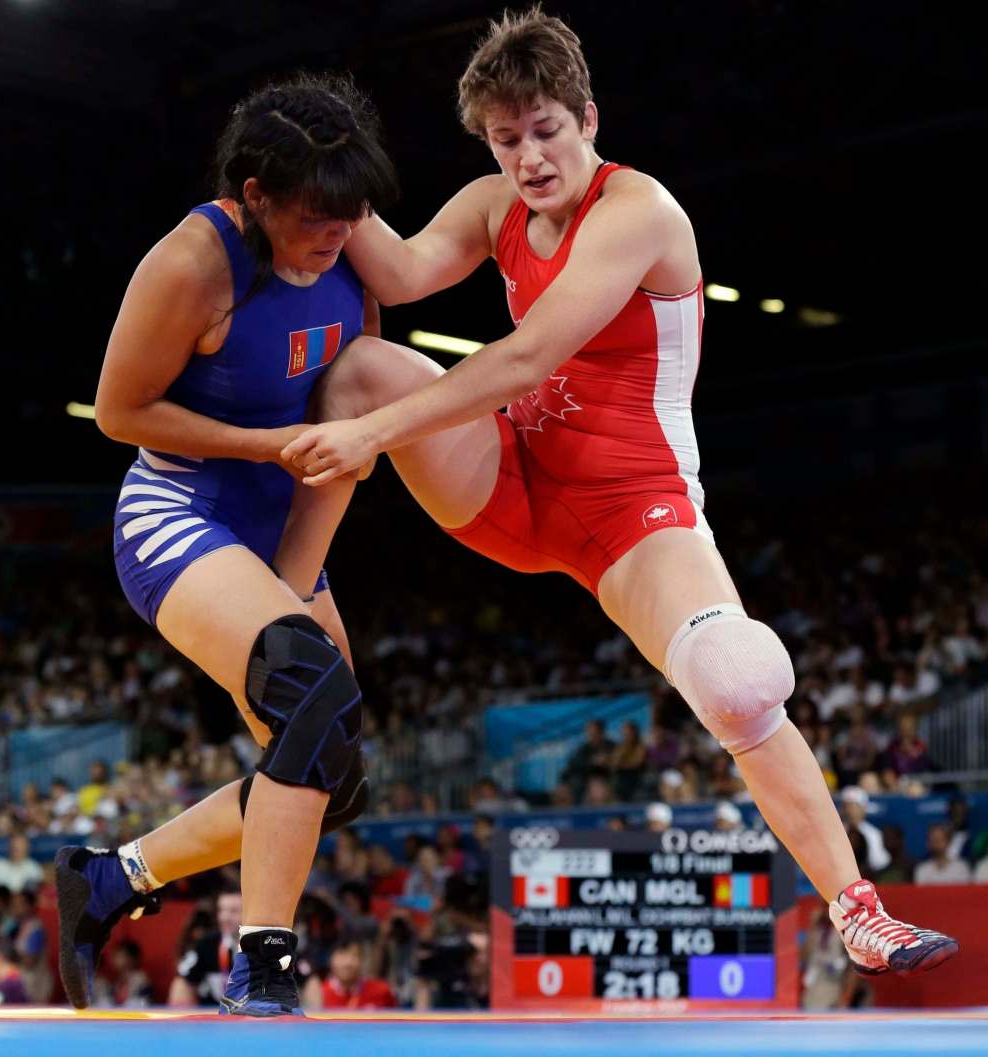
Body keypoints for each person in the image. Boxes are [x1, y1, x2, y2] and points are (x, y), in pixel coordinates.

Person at [282, 7, 957, 977]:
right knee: (363, 367)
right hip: (512, 479)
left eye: (545, 130)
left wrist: (371, 440)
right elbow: (395, 267)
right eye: (507, 140)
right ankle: (291, 597)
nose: (529, 157)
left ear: (587, 118)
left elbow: (526, 357)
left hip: (630, 508)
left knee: (734, 683)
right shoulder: (489, 203)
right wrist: (329, 161)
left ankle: (856, 909)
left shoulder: (638, 210)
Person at [54, 72, 398, 1017]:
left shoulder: (347, 250)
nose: (336, 237)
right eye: (316, 218)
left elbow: (347, 408)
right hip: (180, 510)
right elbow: (120, 413)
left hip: (281, 515)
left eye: (350, 216)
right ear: (255, 195)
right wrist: (262, 447)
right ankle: (264, 964)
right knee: (307, 685)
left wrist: (299, 551)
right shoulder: (191, 263)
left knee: (333, 766)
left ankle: (115, 877)